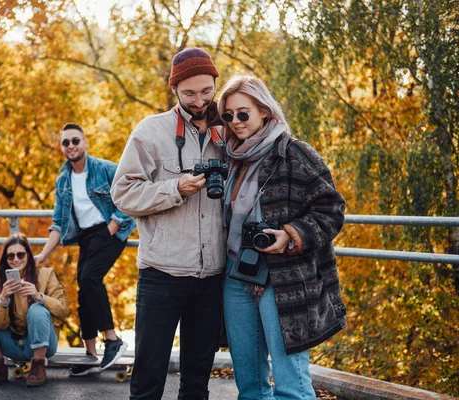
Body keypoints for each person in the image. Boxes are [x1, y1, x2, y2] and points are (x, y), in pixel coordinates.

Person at [217, 74, 347, 399]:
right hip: (237, 276)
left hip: (284, 279)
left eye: (243, 113)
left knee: (291, 387)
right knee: (250, 387)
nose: (235, 122)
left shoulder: (294, 153)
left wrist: (291, 234)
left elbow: (331, 209)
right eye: (228, 115)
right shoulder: (229, 160)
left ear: (264, 110)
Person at [111, 47, 227, 400]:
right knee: (148, 377)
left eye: (207, 91)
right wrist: (174, 188)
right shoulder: (150, 131)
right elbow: (123, 194)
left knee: (197, 380)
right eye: (189, 93)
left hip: (212, 276)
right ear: (173, 88)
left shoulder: (231, 129)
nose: (199, 100)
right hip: (161, 274)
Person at [34, 123, 136, 376]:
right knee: (83, 290)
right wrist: (43, 255)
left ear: (85, 143)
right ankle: (91, 355)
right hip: (87, 238)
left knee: (90, 278)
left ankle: (113, 340)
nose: (71, 146)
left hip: (111, 231)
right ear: (61, 147)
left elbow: (130, 193)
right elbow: (58, 223)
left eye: (75, 141)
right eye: (65, 142)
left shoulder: (105, 168)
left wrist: (112, 227)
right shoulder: (63, 180)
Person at [0, 233, 70, 387]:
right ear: (6, 260)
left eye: (20, 254)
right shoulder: (4, 280)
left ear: (28, 255)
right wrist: (3, 299)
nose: (16, 259)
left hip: (43, 344)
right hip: (13, 343)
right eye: (11, 256)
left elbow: (63, 309)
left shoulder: (45, 274)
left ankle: (38, 366)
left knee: (37, 309)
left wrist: (39, 296)